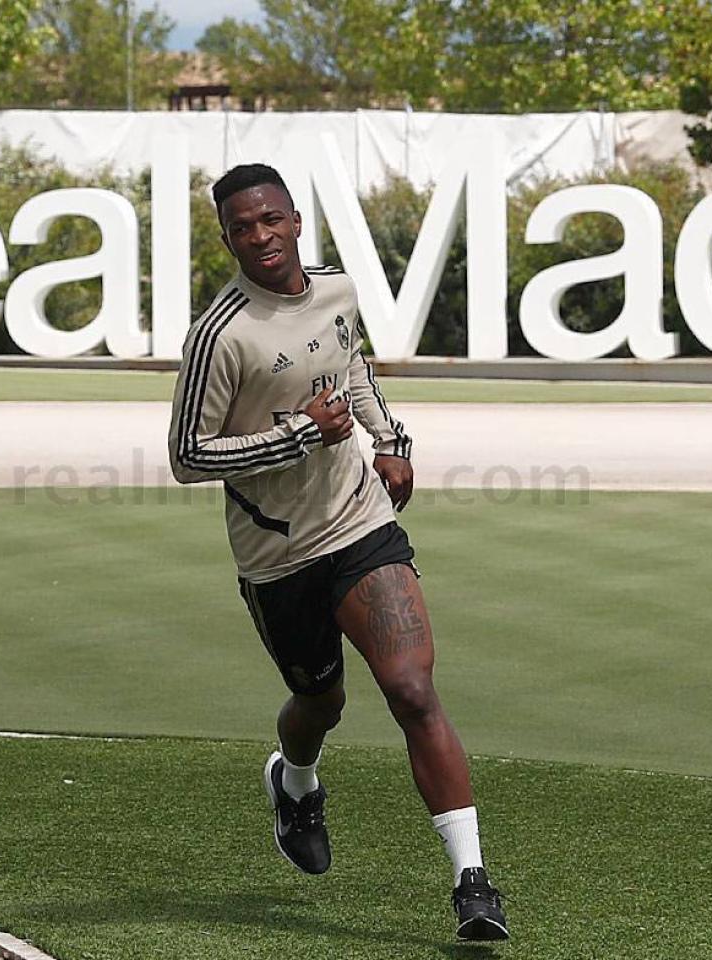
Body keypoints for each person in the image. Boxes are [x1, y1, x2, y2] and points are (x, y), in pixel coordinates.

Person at [167, 163, 509, 942]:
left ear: (293, 220)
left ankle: (473, 884)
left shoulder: (336, 290)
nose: (260, 237)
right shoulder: (221, 336)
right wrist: (298, 434)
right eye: (242, 229)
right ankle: (294, 780)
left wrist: (388, 440)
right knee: (321, 703)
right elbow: (188, 455)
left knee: (413, 690)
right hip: (278, 556)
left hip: (360, 522)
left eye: (270, 220)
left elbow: (352, 369)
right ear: (227, 239)